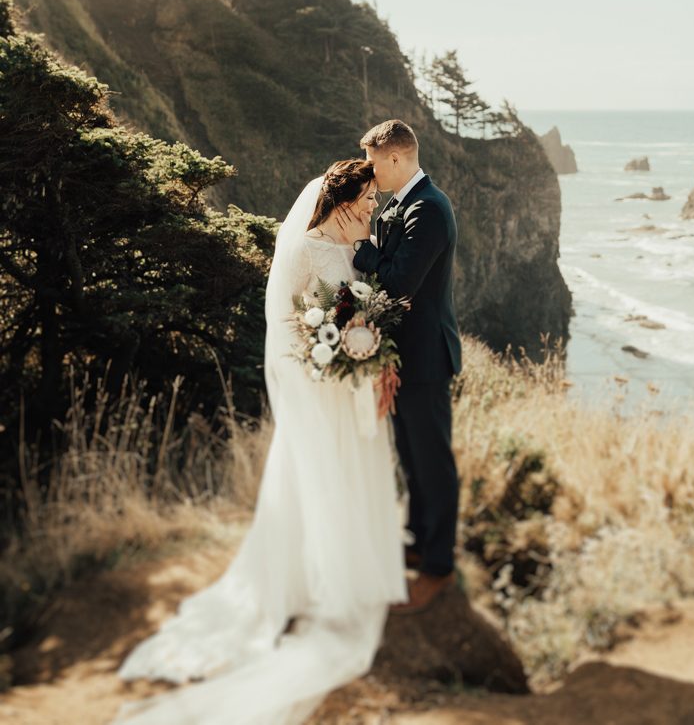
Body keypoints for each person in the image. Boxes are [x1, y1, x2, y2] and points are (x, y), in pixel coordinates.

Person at [113, 159, 407, 725]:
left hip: (351, 380)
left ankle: (343, 566)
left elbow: (361, 309)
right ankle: (325, 582)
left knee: (338, 476)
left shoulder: (355, 247)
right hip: (323, 388)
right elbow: (288, 325)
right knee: (323, 476)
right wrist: (337, 356)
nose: (374, 209)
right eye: (368, 200)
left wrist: (370, 351)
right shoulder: (307, 248)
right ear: (343, 203)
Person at [337, 119, 461, 614]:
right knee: (411, 455)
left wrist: (360, 248)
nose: (369, 173)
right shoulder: (399, 204)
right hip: (402, 355)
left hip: (427, 355)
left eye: (372, 162)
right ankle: (417, 539)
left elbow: (399, 282)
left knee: (433, 462)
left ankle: (439, 566)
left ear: (394, 158)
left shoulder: (427, 209)